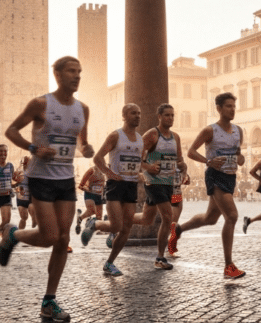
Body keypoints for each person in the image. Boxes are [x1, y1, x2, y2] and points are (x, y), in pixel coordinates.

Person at [0, 56, 94, 322]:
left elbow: (82, 142)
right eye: (71, 71)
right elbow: (11, 130)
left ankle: (49, 301)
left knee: (63, 239)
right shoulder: (41, 104)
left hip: (64, 179)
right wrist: (34, 148)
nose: (77, 76)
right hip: (40, 177)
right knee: (50, 235)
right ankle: (13, 235)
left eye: (80, 72)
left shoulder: (82, 109)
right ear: (58, 75)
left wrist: (86, 148)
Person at [169, 92, 246, 279]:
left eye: (234, 106)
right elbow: (191, 151)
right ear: (218, 109)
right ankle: (229, 266)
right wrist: (208, 161)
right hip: (215, 176)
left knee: (210, 218)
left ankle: (178, 229)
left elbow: (239, 155)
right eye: (228, 106)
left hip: (230, 177)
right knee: (232, 215)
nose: (232, 109)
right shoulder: (210, 130)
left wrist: (240, 158)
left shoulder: (238, 131)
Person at [80, 104, 144, 276]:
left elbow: (139, 162)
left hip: (131, 186)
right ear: (124, 116)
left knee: (126, 228)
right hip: (115, 185)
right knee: (116, 225)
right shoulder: (116, 136)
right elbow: (98, 157)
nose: (137, 116)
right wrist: (110, 173)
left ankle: (109, 263)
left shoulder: (140, 139)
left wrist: (141, 173)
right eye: (133, 113)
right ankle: (94, 223)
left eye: (139, 113)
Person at [127, 103, 185, 269]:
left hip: (169, 183)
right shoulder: (153, 134)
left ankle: (119, 222)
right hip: (153, 182)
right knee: (167, 217)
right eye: (167, 115)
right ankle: (160, 258)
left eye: (172, 115)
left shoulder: (176, 137)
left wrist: (184, 169)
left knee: (146, 219)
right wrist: (148, 167)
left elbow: (179, 160)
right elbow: (136, 156)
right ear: (159, 117)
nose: (170, 118)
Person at [75, 166, 106, 233]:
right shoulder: (92, 170)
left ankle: (82, 219)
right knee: (91, 210)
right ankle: (82, 220)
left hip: (99, 195)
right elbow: (82, 184)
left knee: (99, 217)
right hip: (90, 194)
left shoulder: (105, 170)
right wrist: (84, 187)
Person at [15, 156, 36, 230]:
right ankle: (19, 234)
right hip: (21, 198)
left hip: (30, 198)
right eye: (24, 163)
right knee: (24, 218)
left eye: (27, 163)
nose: (25, 164)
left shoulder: (33, 173)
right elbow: (14, 184)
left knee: (32, 209)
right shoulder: (18, 172)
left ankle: (34, 219)